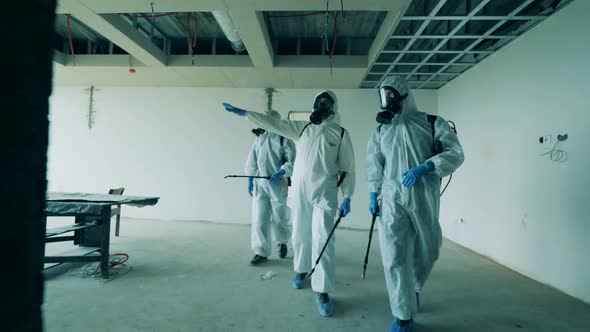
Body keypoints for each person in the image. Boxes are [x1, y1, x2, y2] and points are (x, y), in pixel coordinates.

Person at [223, 91, 355, 317]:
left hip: (325, 193)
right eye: (318, 102)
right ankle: (302, 271)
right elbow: (274, 123)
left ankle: (322, 290)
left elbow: (348, 168)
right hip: (301, 192)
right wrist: (247, 114)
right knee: (300, 235)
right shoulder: (302, 129)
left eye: (326, 103)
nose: (321, 106)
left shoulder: (340, 134)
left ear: (333, 107)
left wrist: (348, 196)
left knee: (323, 238)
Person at [366, 76, 464, 332]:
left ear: (404, 96)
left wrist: (427, 165)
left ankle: (415, 285)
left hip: (422, 196)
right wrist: (372, 194)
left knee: (429, 248)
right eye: (384, 97)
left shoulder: (432, 123)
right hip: (391, 199)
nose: (388, 102)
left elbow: (455, 153)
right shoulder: (381, 130)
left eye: (391, 97)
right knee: (393, 256)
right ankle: (403, 314)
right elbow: (374, 164)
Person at [245, 111, 296, 265]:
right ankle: (261, 251)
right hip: (260, 184)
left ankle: (282, 242)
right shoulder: (260, 139)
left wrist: (282, 171)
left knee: (280, 217)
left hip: (277, 184)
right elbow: (251, 162)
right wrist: (250, 180)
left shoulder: (284, 139)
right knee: (260, 219)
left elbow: (293, 162)